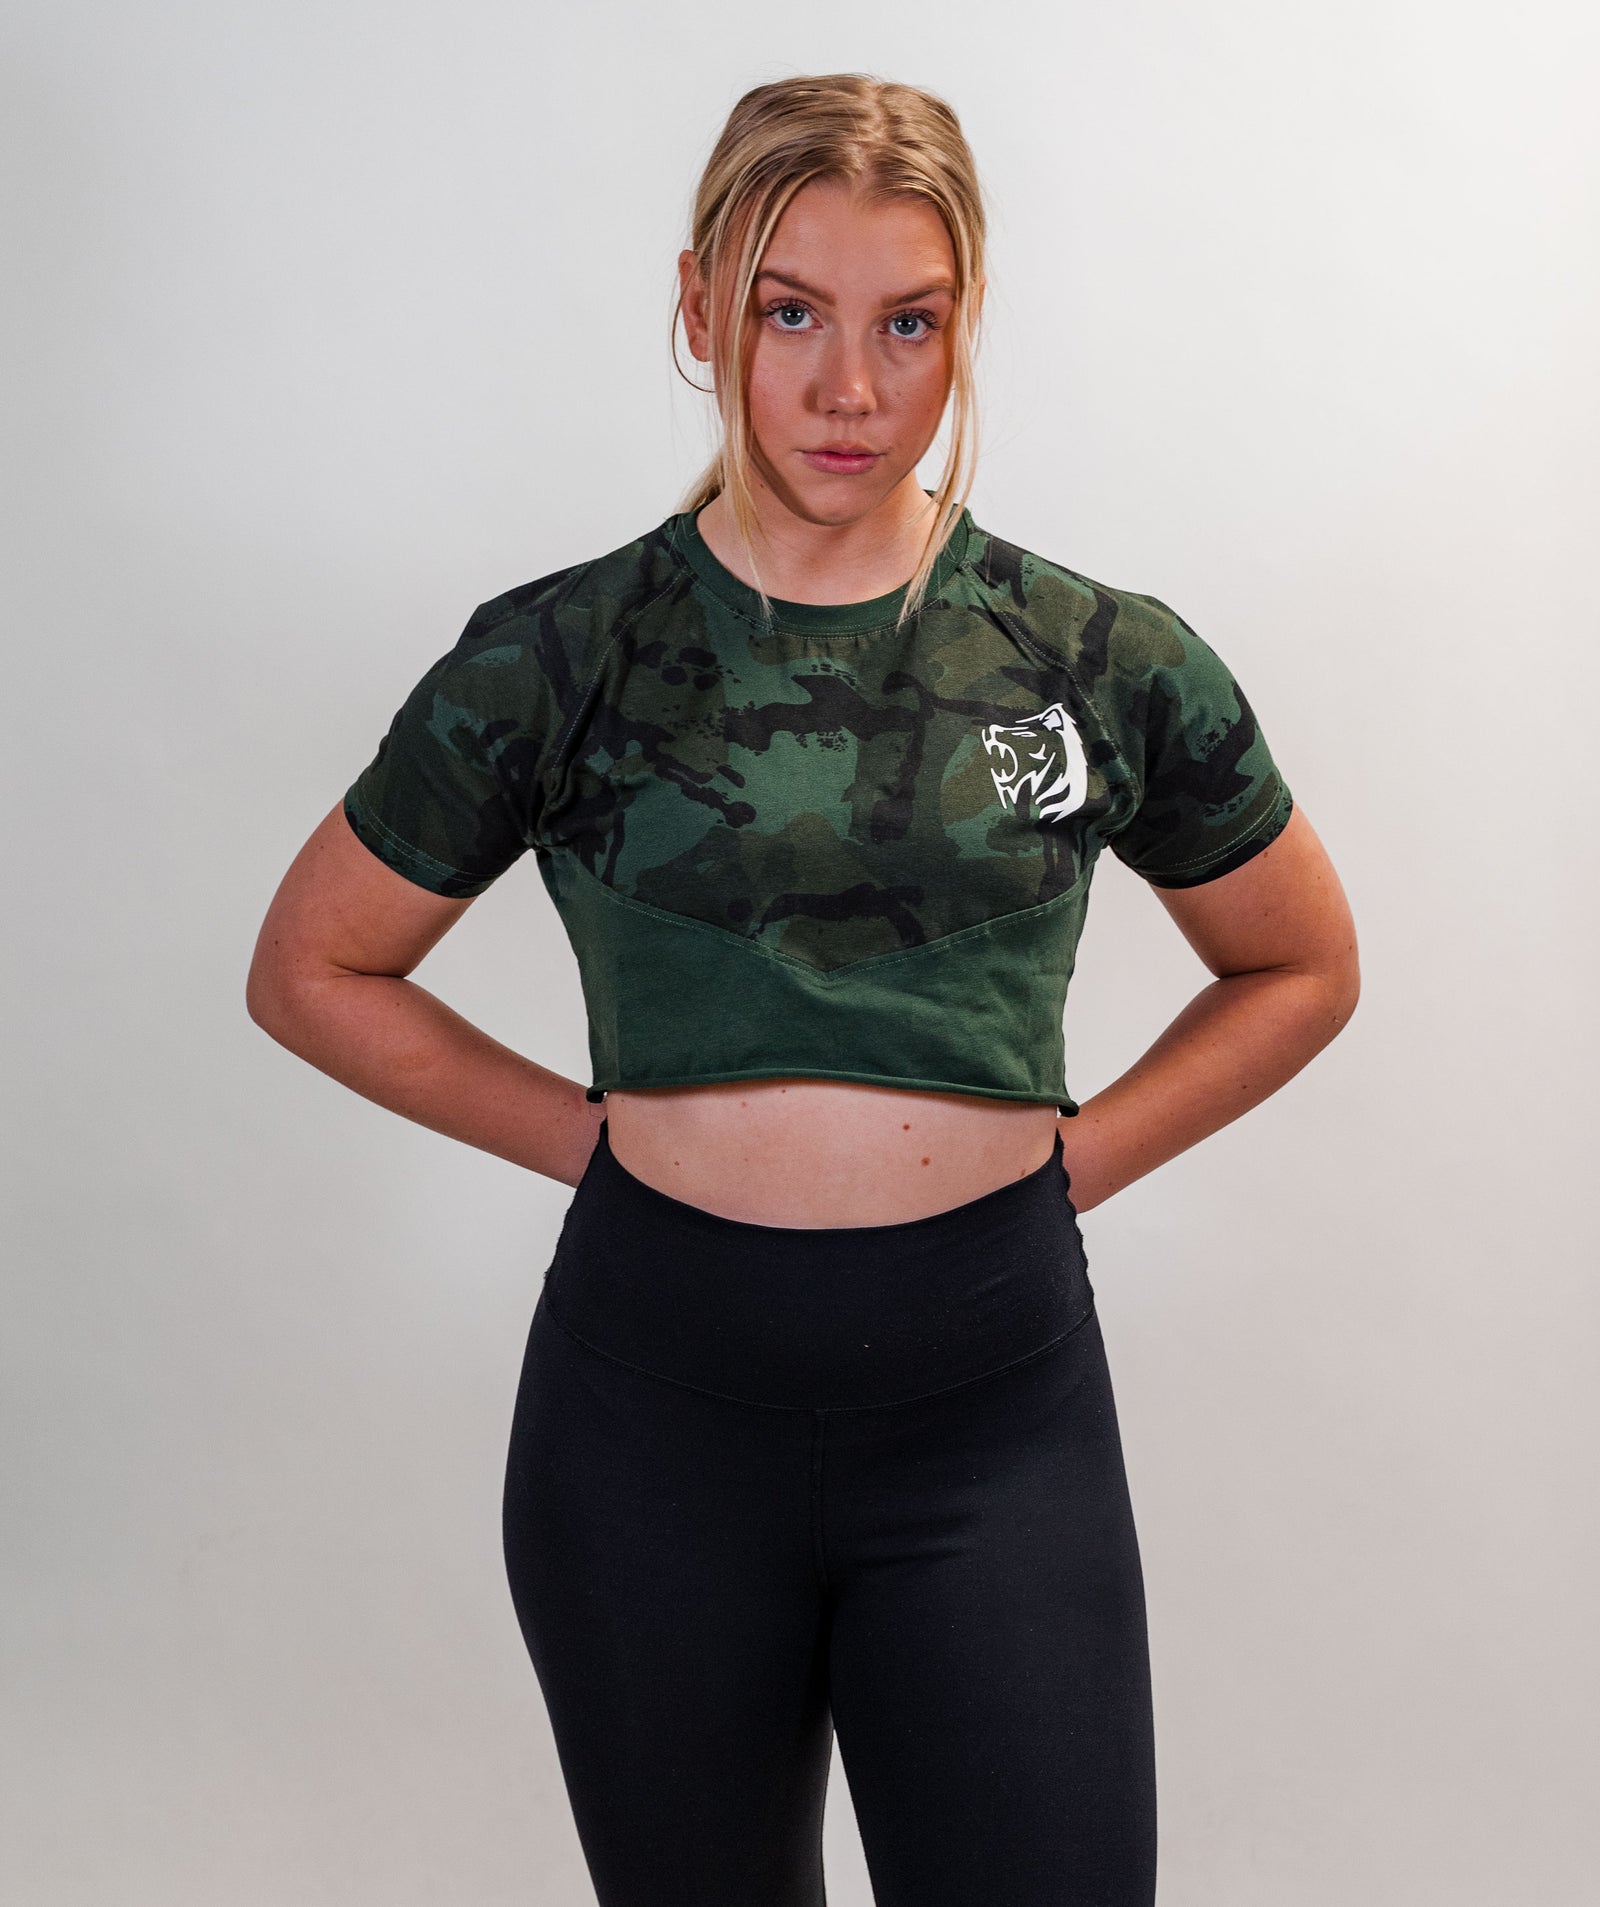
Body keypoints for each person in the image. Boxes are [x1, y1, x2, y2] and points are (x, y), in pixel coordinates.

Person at [247, 71, 1358, 1907]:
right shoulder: (564, 656)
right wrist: (597, 1145)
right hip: (651, 1421)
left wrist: (1068, 1164)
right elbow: (313, 966)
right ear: (701, 309)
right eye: (791, 314)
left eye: (908, 322)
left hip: (992, 1410)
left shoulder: (1095, 657)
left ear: (966, 326)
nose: (851, 387)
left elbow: (1300, 961)